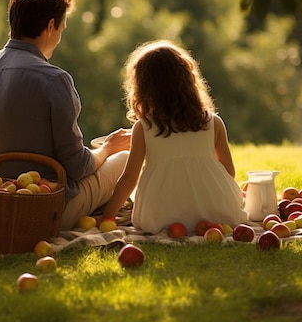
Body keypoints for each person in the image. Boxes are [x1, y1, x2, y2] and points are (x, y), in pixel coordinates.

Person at [0, 0, 130, 230]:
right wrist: (109, 148)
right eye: (61, 28)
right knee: (124, 158)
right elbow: (78, 167)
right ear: (51, 27)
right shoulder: (53, 79)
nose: (59, 37)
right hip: (44, 209)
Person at [100, 40, 248, 234]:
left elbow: (129, 178)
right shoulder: (213, 123)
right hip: (216, 214)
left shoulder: (144, 128)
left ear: (143, 89)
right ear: (189, 81)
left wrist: (107, 216)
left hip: (160, 217)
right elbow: (229, 173)